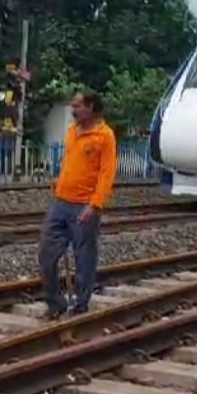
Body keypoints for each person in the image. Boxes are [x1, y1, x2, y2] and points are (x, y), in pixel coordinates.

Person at [38, 92, 118, 318]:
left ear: (91, 108)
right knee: (46, 254)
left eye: (78, 106)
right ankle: (55, 302)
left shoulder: (105, 136)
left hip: (85, 205)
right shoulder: (73, 131)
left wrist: (94, 205)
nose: (74, 110)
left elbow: (106, 174)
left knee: (84, 258)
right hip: (61, 202)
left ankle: (81, 303)